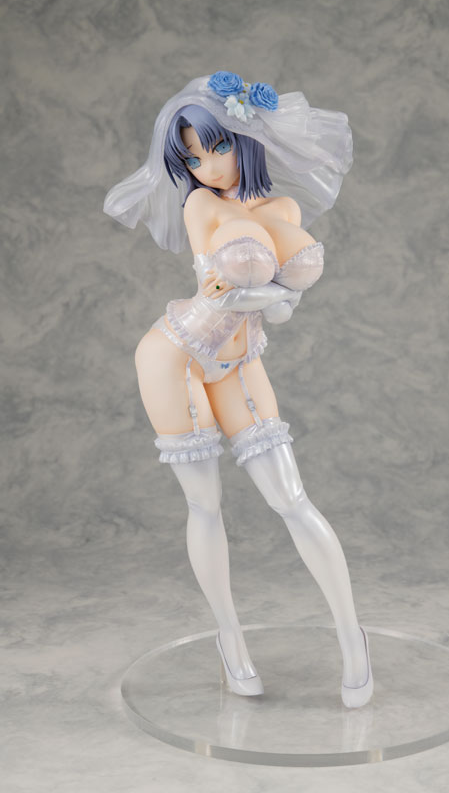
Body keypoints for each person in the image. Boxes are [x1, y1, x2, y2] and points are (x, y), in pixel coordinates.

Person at [104, 71, 373, 707]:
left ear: (247, 140)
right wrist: (273, 295)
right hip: (176, 356)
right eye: (193, 158)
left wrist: (273, 297)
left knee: (292, 498)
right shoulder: (201, 206)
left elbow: (278, 300)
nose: (207, 167)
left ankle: (353, 638)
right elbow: (231, 294)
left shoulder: (282, 210)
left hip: (239, 359)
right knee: (205, 504)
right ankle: (231, 641)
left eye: (217, 147)